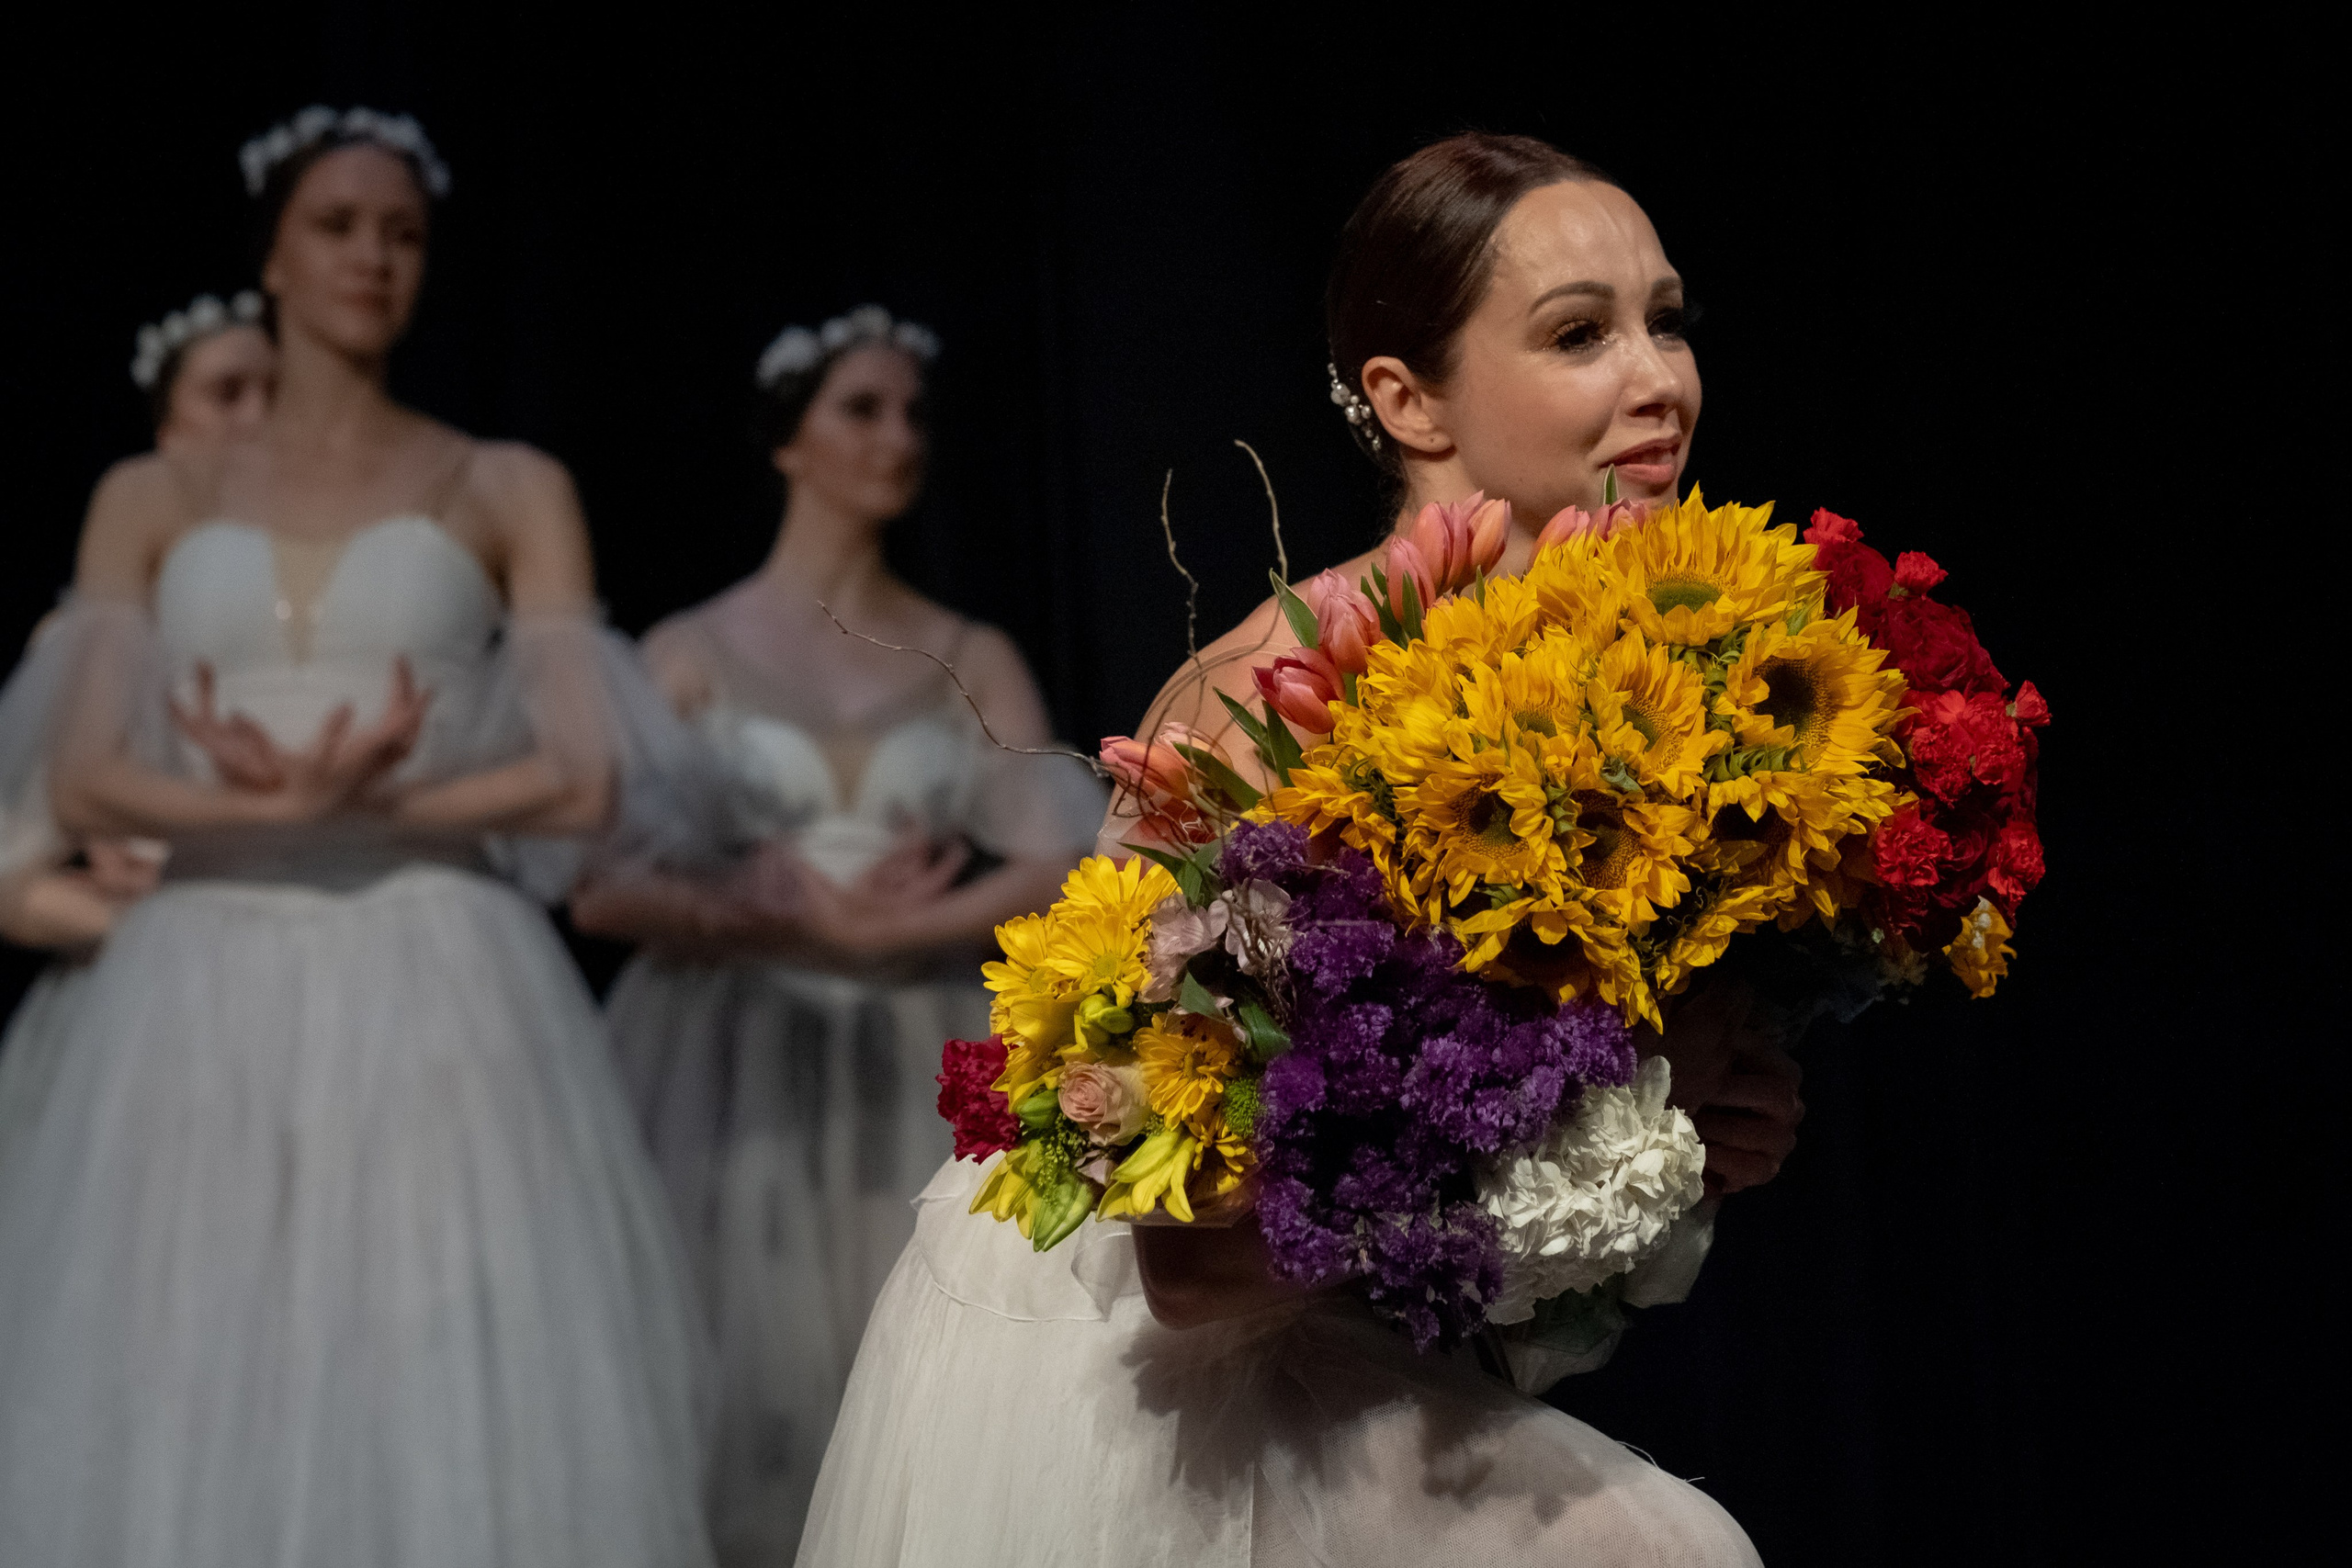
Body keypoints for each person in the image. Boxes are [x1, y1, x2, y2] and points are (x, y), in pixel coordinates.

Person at [798, 133, 1803, 1567]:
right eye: (1581, 332)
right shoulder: (1269, 704)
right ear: (1406, 398)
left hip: (1373, 1345)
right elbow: (1189, 1260)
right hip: (1166, 1391)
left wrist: (1679, 1141)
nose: (1659, 379)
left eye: (1667, 318)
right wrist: (1622, 1116)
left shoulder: (1635, 674)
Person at [0, 107, 714, 1567]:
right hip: (201, 975)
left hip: (434, 956)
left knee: (437, 1333)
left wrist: (376, 800)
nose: (372, 257)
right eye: (337, 225)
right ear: (271, 250)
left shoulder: (508, 483)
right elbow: (78, 779)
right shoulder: (149, 495)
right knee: (195, 1343)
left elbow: (581, 778)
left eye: (401, 233)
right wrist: (268, 806)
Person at [571, 306, 1102, 1565]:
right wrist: (770, 907)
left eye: (913, 413)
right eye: (861, 408)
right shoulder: (693, 651)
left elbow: (1066, 851)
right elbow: (599, 882)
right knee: (742, 1377)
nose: (897, 437)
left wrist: (914, 918)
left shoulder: (968, 650)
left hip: (916, 1041)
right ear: (788, 439)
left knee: (916, 1363)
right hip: (728, 1054)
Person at [0, 289, 276, 954]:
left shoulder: (360, 608)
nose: (262, 418)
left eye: (280, 395)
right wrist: (161, 938)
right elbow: (9, 877)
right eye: (227, 393)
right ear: (169, 431)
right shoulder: (105, 641)